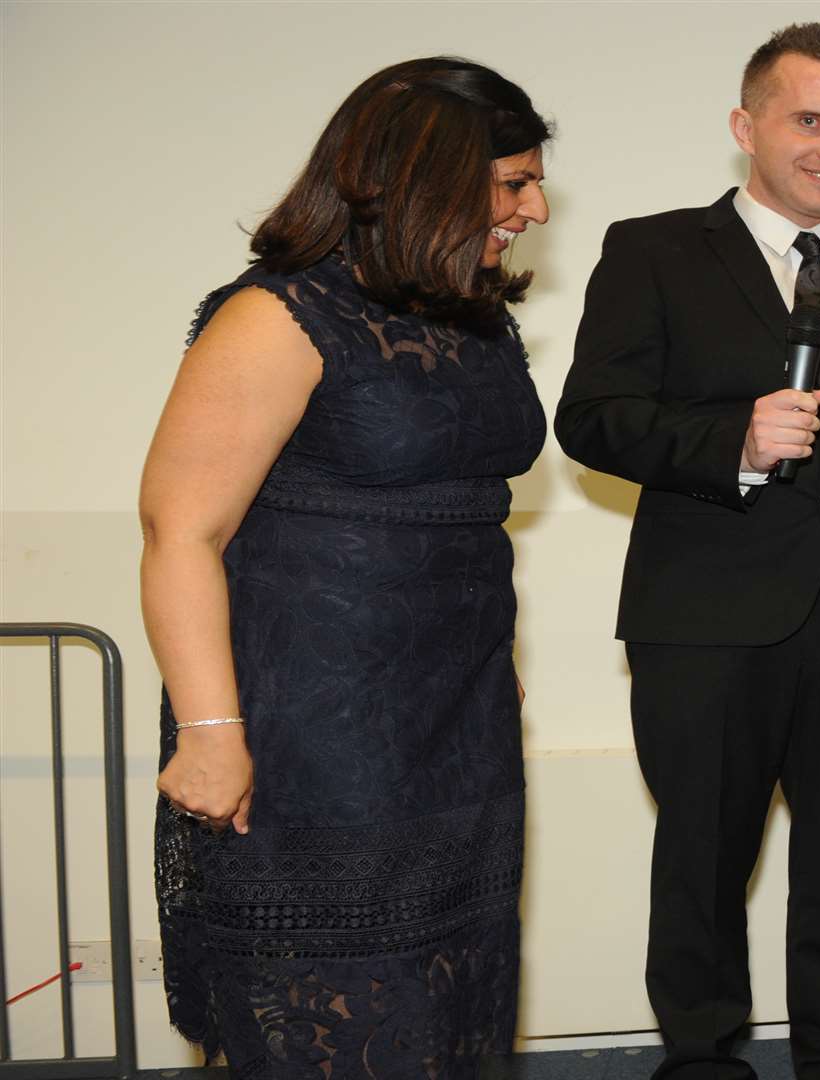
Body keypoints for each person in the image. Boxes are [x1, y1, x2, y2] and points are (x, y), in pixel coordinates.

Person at [553, 23, 820, 1080]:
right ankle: (701, 1059)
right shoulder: (653, 249)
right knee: (703, 860)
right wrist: (728, 443)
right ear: (748, 125)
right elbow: (592, 418)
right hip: (707, 616)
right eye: (811, 120)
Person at [139, 58, 551, 1078]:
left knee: (452, 1003)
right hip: (311, 744)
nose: (535, 209)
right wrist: (209, 736)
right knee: (337, 1013)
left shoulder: (475, 318)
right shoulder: (277, 316)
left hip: (458, 735)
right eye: (512, 184)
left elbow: (467, 518)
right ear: (425, 182)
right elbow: (179, 532)